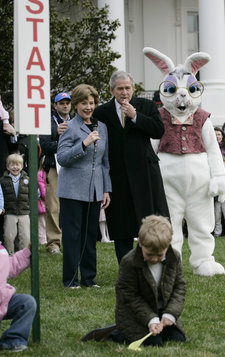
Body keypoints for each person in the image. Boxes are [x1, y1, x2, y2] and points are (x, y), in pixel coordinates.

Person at [93, 71, 169, 264]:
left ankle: (152, 261)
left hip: (145, 173)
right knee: (121, 225)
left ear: (133, 89)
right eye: (120, 89)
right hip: (118, 175)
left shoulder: (146, 106)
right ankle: (126, 266)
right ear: (112, 90)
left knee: (150, 222)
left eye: (127, 88)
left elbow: (158, 130)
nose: (124, 92)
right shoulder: (102, 112)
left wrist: (135, 117)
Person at [82, 215, 186, 346]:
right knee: (154, 343)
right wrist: (150, 319)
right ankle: (116, 332)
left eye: (159, 255)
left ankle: (160, 323)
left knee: (178, 339)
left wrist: (170, 314)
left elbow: (179, 288)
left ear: (168, 246)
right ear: (140, 243)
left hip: (162, 312)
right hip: (135, 315)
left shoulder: (174, 257)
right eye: (149, 254)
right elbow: (129, 295)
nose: (154, 259)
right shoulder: (129, 262)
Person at [57, 84, 111, 289]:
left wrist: (106, 189)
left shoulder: (102, 127)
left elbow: (105, 162)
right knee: (72, 236)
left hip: (96, 190)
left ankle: (89, 278)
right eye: (83, 103)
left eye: (91, 103)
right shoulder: (69, 126)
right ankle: (70, 280)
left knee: (90, 235)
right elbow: (62, 158)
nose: (88, 107)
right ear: (76, 105)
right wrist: (84, 144)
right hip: (71, 190)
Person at [0, 202, 36, 352]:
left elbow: (10, 266)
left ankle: (13, 340)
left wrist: (27, 253)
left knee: (27, 303)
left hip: (2, 302)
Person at [39, 92, 72, 255]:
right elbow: (45, 146)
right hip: (54, 168)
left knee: (73, 205)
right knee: (53, 206)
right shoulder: (49, 123)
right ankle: (53, 243)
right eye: (62, 103)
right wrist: (59, 137)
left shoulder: (77, 120)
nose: (65, 105)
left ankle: (72, 240)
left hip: (74, 168)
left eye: (67, 102)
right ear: (55, 106)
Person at [0, 154, 30, 254]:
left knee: (25, 236)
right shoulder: (3, 181)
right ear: (8, 167)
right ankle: (10, 255)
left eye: (17, 165)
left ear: (22, 166)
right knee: (8, 235)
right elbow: (0, 195)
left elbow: (32, 194)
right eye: (12, 165)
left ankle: (23, 256)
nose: (15, 167)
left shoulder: (27, 180)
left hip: (24, 211)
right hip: (10, 212)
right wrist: (2, 207)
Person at [37, 160, 47, 245]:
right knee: (42, 223)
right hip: (42, 203)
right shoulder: (40, 174)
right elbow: (42, 188)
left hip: (52, 201)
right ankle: (42, 241)